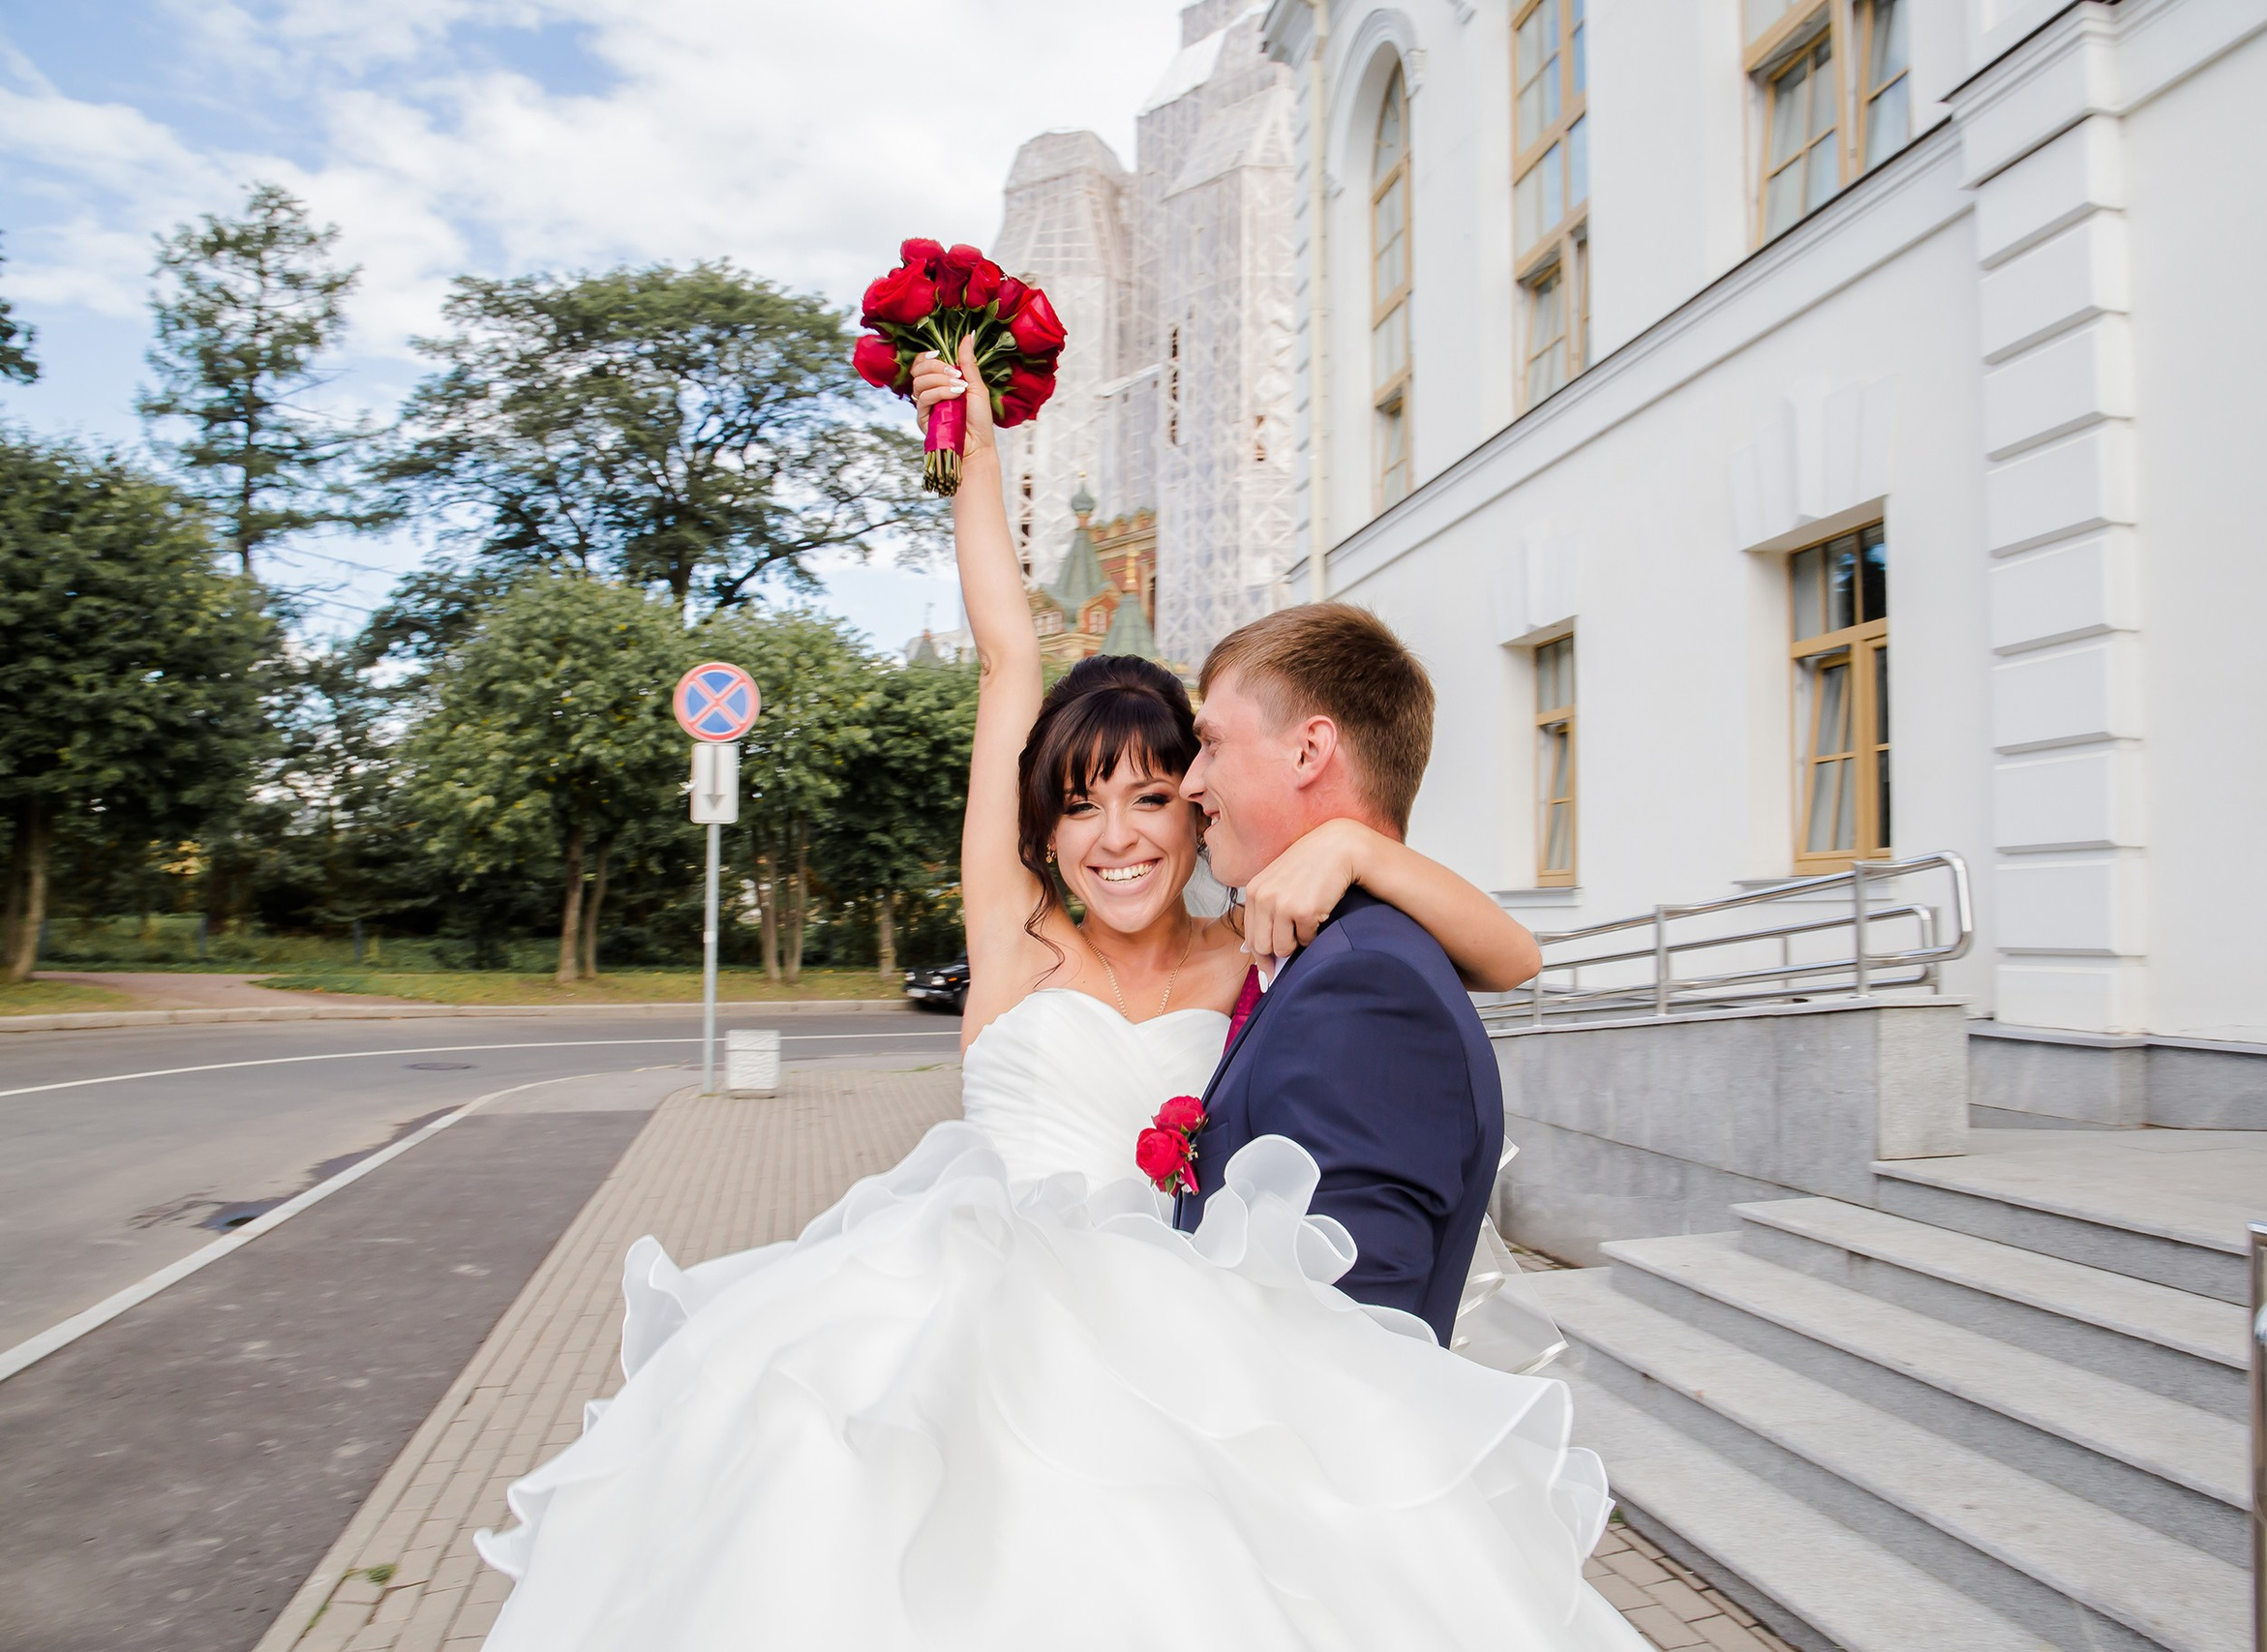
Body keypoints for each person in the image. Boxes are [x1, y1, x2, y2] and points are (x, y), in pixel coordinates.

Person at [470, 346, 1639, 1650]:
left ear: (1196, 806)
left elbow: (1511, 959)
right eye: (1079, 806)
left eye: (1152, 794)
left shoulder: (1256, 950)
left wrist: (1358, 847)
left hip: (1182, 1374)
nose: (1119, 837)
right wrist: (968, 452)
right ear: (1043, 827)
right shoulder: (1019, 941)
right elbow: (1005, 654)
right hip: (966, 1337)